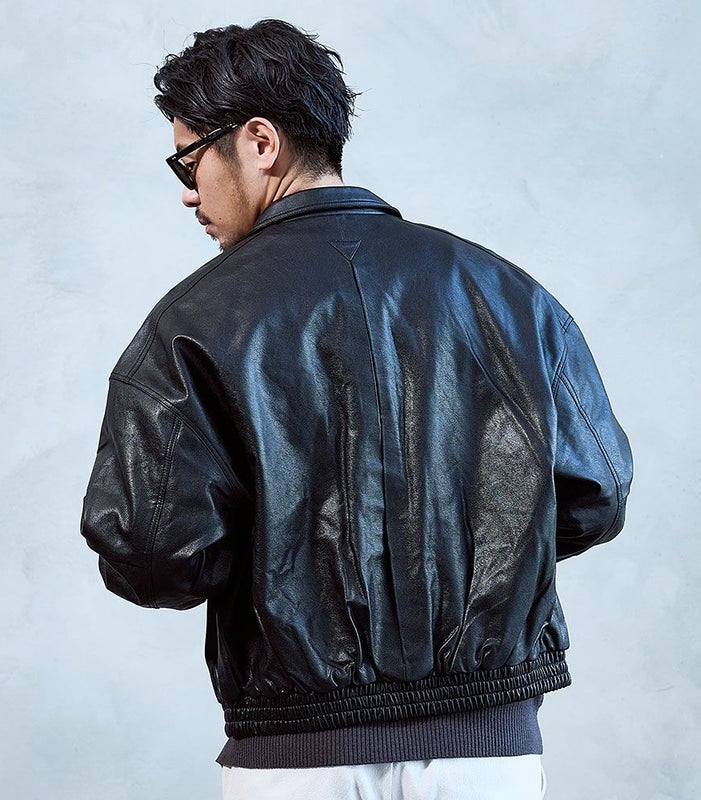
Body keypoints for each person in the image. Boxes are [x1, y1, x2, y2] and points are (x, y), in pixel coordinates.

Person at [80, 19, 633, 800]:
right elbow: (596, 494)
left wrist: (279, 558)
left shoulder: (194, 322)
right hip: (488, 752)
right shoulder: (509, 296)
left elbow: (149, 551)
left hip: (300, 757)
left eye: (189, 158)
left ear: (259, 142)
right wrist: (471, 554)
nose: (187, 190)